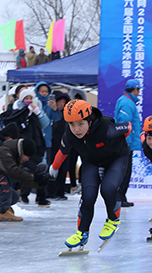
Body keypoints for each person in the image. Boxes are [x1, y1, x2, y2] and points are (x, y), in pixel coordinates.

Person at [50, 100, 131, 249]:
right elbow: (63, 151)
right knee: (88, 196)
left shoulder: (106, 128)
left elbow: (127, 127)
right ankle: (82, 233)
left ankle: (112, 220)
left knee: (108, 188)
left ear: (90, 120)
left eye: (80, 124)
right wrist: (54, 167)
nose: (76, 129)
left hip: (116, 158)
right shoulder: (70, 134)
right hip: (92, 161)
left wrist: (116, 143)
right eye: (72, 124)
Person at [2, 87, 51, 206]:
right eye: (26, 98)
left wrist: (38, 113)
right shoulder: (17, 110)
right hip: (24, 145)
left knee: (40, 169)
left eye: (30, 98)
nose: (28, 100)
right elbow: (13, 123)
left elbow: (45, 124)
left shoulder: (36, 110)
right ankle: (23, 194)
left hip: (38, 144)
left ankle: (41, 197)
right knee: (26, 169)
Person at [114, 79, 142, 207]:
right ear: (135, 89)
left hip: (126, 143)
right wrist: (127, 143)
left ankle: (121, 196)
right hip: (125, 144)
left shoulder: (127, 102)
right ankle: (119, 197)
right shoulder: (126, 103)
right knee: (124, 172)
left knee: (126, 171)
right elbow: (125, 125)